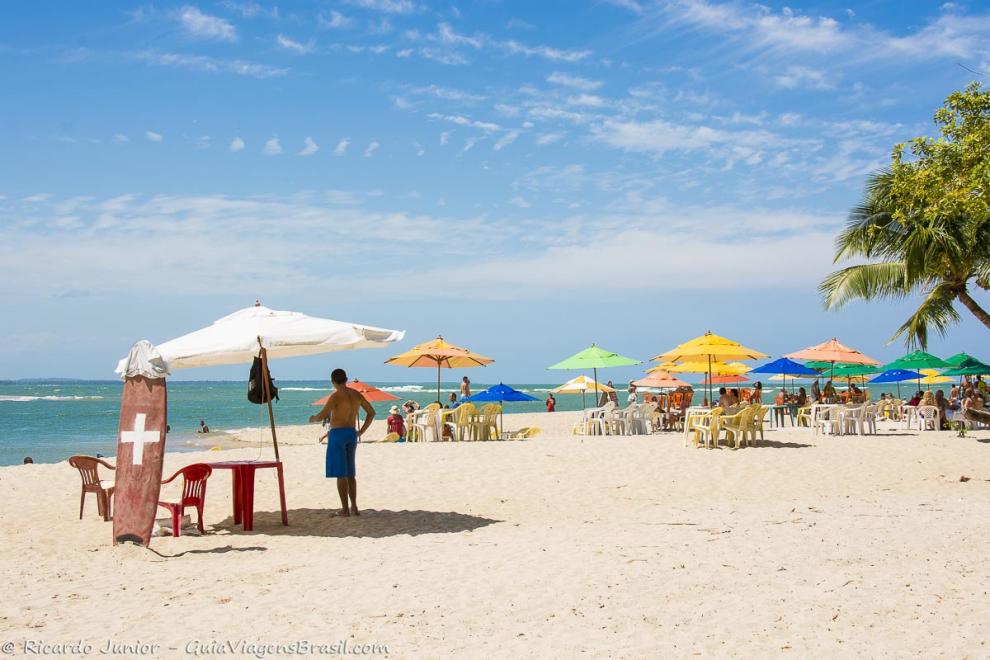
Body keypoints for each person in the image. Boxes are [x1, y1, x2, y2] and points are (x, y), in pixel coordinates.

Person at [309, 368, 375, 518]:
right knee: (350, 473)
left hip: (338, 434)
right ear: (346, 379)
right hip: (351, 433)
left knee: (341, 474)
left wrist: (312, 418)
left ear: (333, 382)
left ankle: (345, 509)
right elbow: (371, 413)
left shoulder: (335, 396)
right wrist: (361, 431)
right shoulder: (356, 394)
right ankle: (354, 507)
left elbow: (321, 416)